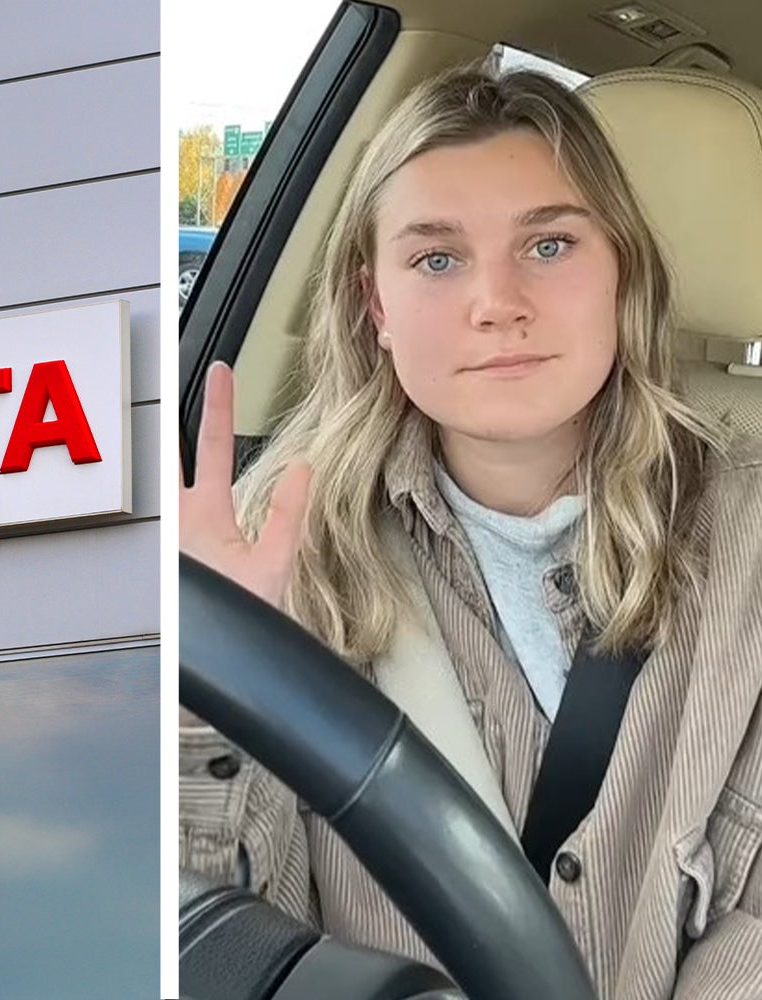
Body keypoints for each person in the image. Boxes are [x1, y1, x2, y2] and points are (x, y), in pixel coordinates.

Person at [179, 64, 762, 997]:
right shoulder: (278, 544)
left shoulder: (749, 536)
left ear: (623, 269)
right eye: (437, 259)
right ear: (376, 307)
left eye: (550, 245)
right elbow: (228, 931)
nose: (497, 302)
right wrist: (206, 694)